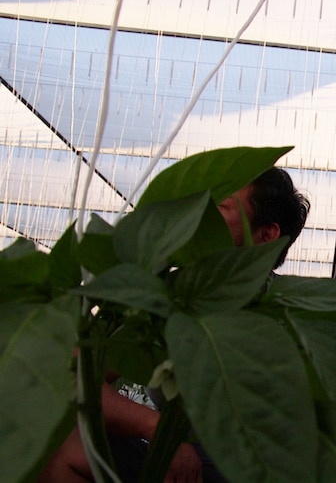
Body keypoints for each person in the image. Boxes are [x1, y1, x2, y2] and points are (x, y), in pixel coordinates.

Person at [37, 167, 310, 483]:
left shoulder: (282, 316)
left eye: (219, 207)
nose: (197, 216)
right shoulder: (169, 295)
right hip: (176, 464)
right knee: (54, 439)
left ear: (265, 236)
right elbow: (71, 375)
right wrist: (156, 429)